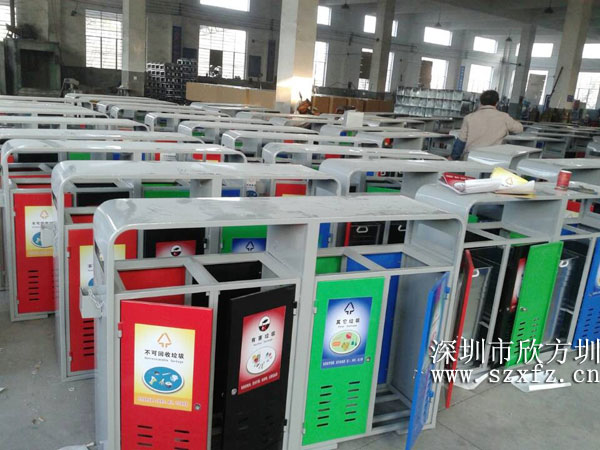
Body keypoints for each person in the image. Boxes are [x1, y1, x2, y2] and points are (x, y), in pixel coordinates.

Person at [449, 90, 524, 160]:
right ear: (496, 103)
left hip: (471, 156)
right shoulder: (504, 117)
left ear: (480, 102)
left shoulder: (469, 118)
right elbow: (519, 129)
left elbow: (461, 142)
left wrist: (453, 157)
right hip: (494, 158)